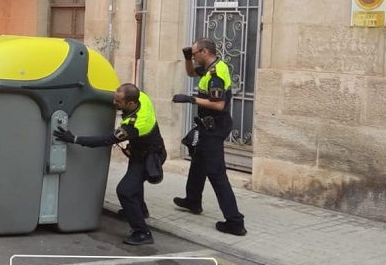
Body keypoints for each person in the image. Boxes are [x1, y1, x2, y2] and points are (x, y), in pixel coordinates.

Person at [54, 83, 166, 246]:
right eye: (115, 98)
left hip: (149, 158)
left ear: (131, 104)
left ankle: (142, 232)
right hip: (140, 153)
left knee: (125, 190)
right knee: (134, 184)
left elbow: (106, 140)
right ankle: (141, 210)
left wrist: (74, 139)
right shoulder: (142, 97)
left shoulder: (135, 125)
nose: (114, 103)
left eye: (118, 101)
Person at [172, 38, 247, 236]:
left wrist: (191, 99)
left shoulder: (215, 75)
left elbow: (219, 105)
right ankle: (193, 200)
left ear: (205, 52)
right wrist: (187, 58)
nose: (194, 57)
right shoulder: (210, 67)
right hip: (208, 126)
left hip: (215, 128)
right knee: (198, 162)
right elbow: (190, 73)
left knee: (216, 173)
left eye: (195, 53)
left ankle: (235, 221)